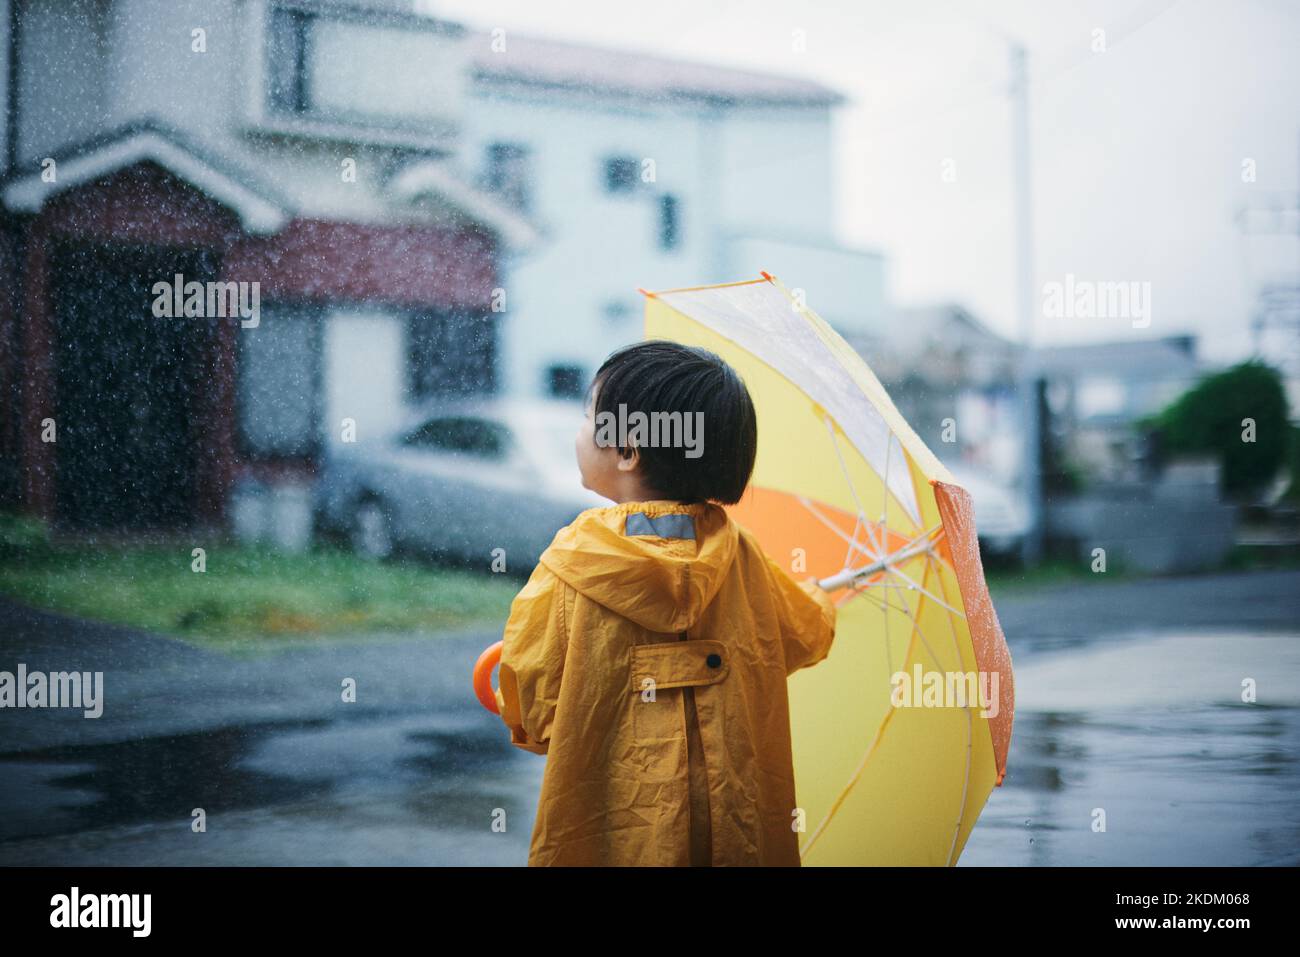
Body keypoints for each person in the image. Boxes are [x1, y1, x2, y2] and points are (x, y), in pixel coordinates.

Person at [493, 340, 837, 866]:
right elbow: (804, 633)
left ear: (628, 450)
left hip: (612, 840)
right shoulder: (744, 557)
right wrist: (820, 595)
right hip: (737, 837)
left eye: (589, 416)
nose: (579, 430)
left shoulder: (572, 563)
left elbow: (535, 711)